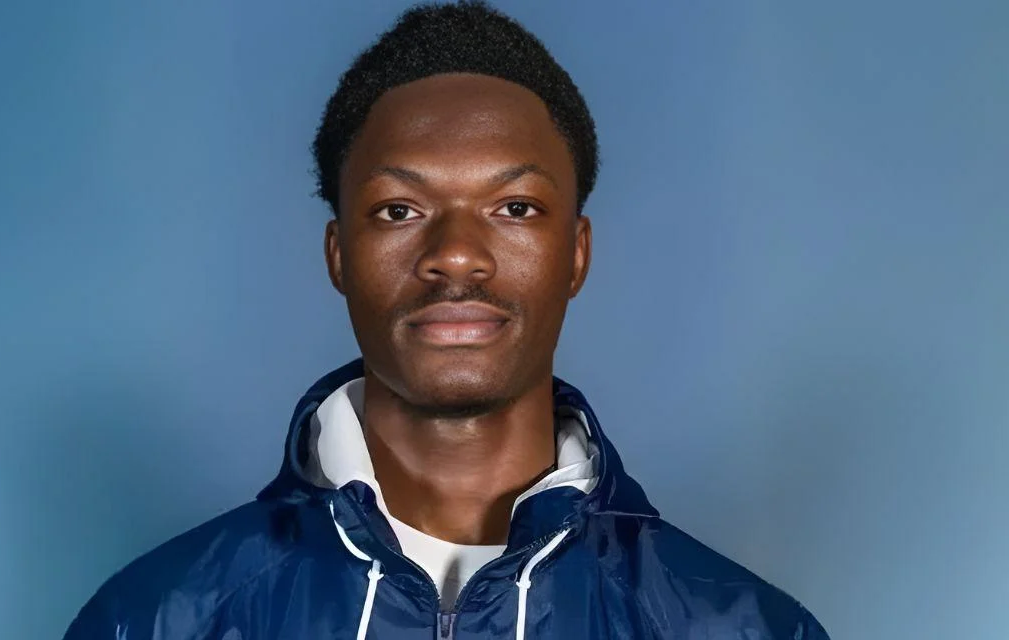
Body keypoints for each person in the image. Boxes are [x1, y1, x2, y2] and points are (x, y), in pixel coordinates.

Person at [64, 2, 828, 638]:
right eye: (399, 210)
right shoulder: (157, 618)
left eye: (514, 208)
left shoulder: (741, 628)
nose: (456, 254)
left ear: (576, 254)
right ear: (339, 254)